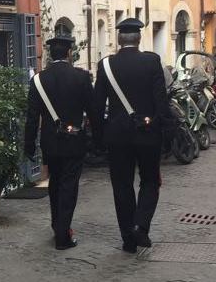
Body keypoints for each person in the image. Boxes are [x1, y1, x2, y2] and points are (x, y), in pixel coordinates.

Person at [94, 18, 174, 254]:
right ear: (139, 39)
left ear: (119, 39)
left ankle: (128, 240)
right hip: (147, 133)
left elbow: (97, 106)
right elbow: (161, 101)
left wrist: (98, 138)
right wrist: (168, 131)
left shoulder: (105, 65)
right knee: (150, 181)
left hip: (117, 136)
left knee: (122, 186)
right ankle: (141, 225)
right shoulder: (151, 61)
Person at [24, 35, 100, 250]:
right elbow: (94, 111)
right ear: (69, 53)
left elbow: (31, 117)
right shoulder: (81, 77)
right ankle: (62, 235)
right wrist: (97, 139)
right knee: (69, 185)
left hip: (50, 141)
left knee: (55, 183)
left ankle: (57, 225)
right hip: (74, 140)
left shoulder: (38, 80)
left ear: (49, 55)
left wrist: (28, 144)